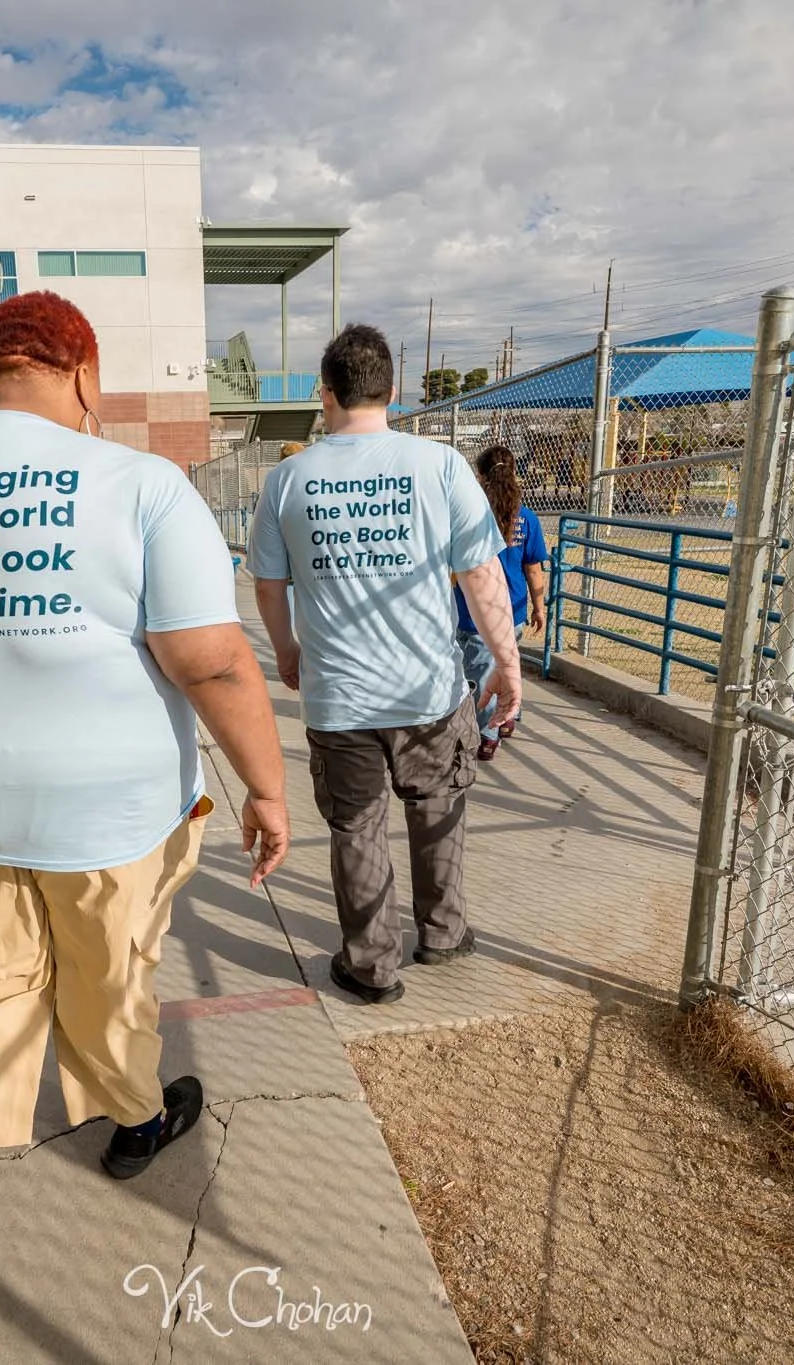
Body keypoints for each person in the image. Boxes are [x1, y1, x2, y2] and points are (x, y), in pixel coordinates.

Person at [0, 291, 290, 1237]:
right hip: (113, 802)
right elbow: (210, 660)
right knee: (109, 967)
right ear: (84, 373)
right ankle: (134, 1125)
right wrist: (269, 787)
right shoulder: (143, 485)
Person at [248, 323, 522, 1007]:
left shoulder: (288, 479)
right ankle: (443, 932)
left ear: (327, 393)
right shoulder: (441, 466)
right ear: (392, 392)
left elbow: (268, 586)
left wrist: (286, 650)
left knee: (357, 828)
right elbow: (482, 577)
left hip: (340, 697)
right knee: (438, 809)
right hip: (429, 691)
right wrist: (507, 666)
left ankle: (371, 966)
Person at [454, 445, 548, 761]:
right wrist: (539, 607)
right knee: (507, 660)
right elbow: (533, 568)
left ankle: (488, 733)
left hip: (476, 611)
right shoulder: (527, 518)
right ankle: (508, 715)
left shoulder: (471, 516)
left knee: (481, 673)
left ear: (480, 476)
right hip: (514, 607)